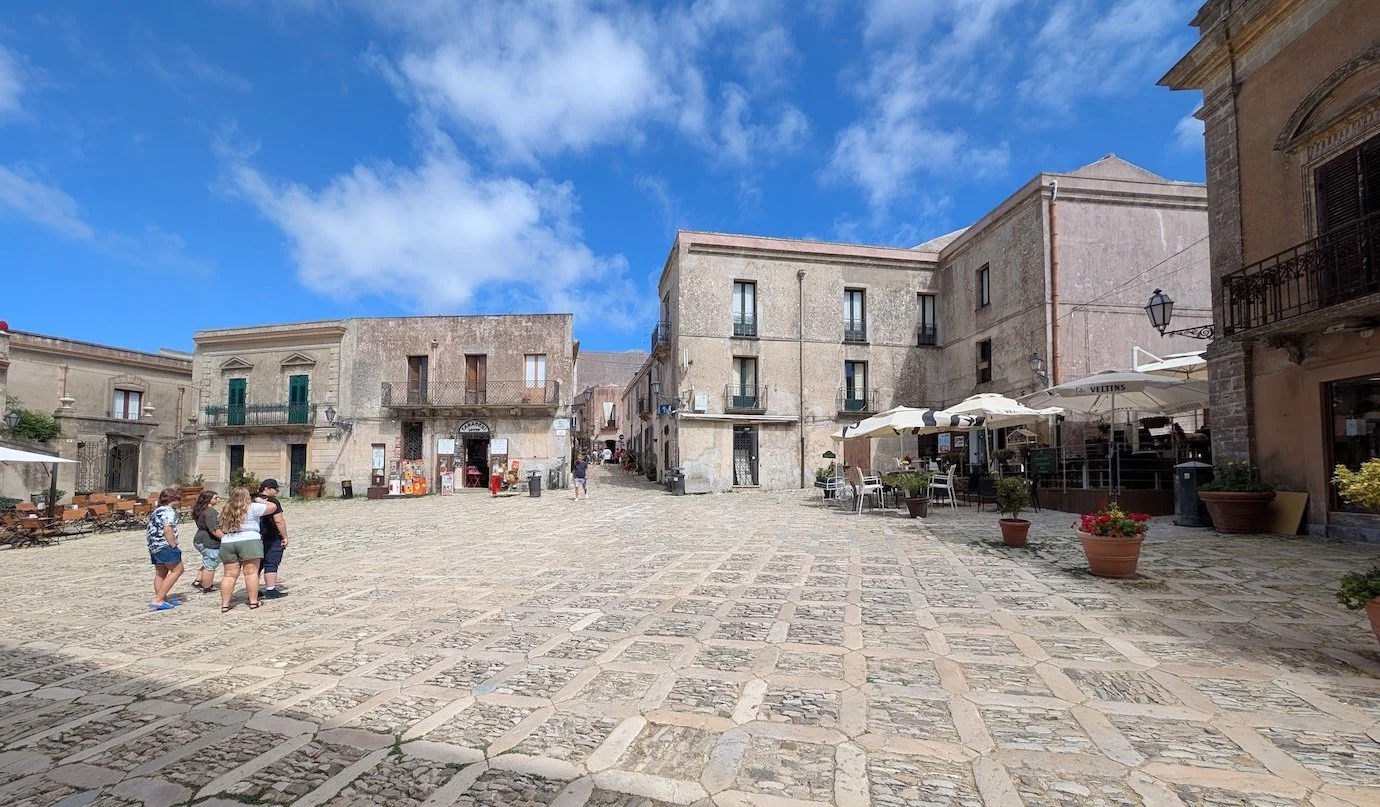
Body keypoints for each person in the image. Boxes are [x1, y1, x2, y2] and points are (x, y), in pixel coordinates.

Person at [217, 486, 280, 612]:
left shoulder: (226, 509)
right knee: (251, 573)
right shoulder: (251, 507)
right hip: (249, 539)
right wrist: (261, 501)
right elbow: (273, 507)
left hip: (228, 540)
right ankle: (253, 601)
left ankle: (225, 604)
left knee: (229, 575)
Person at [145, 487, 185, 611]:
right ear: (174, 499)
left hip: (154, 545)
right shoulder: (169, 511)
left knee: (161, 573)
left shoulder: (157, 511)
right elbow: (167, 529)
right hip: (165, 545)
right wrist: (173, 545)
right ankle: (158, 599)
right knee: (178, 570)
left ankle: (162, 598)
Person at [256, 479, 289, 599]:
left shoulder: (251, 500)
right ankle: (270, 589)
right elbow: (278, 520)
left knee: (255, 565)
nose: (277, 491)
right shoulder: (272, 502)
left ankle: (253, 589)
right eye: (275, 489)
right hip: (271, 535)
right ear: (267, 488)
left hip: (254, 537)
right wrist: (284, 536)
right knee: (271, 562)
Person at [190, 490, 223, 593]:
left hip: (200, 538)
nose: (218, 500)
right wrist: (226, 538)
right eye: (215, 498)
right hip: (207, 541)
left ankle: (198, 580)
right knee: (211, 563)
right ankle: (207, 586)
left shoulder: (201, 510)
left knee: (207, 560)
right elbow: (213, 529)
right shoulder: (210, 512)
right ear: (208, 499)